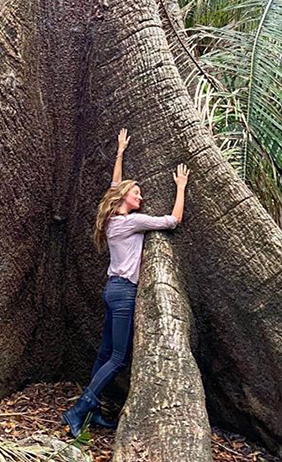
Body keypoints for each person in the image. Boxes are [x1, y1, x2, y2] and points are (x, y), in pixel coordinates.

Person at [61, 128, 190, 437]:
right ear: (125, 200)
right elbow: (173, 221)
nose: (141, 197)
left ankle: (92, 412)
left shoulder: (110, 220)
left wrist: (120, 153)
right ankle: (78, 409)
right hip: (124, 294)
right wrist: (181, 187)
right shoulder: (132, 222)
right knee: (118, 357)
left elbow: (114, 185)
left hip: (112, 291)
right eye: (138, 194)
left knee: (106, 353)